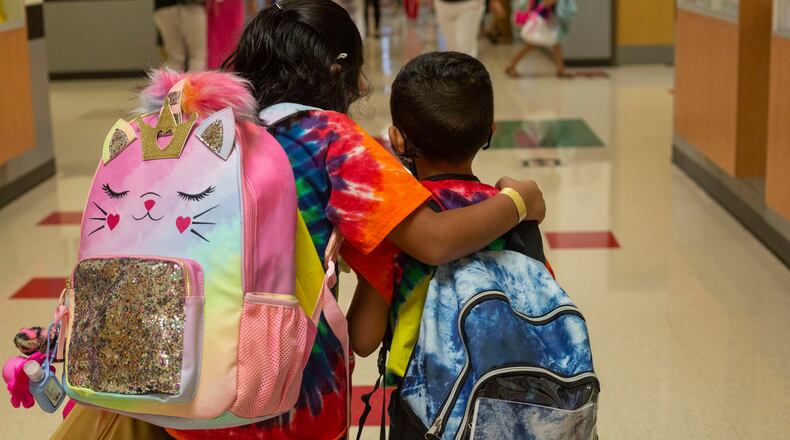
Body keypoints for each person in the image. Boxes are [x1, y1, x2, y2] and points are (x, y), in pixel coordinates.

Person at [166, 2, 546, 439]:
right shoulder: (329, 138)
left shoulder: (209, 127)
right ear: (334, 70)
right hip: (287, 391)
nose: (362, 86)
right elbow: (435, 240)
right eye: (357, 71)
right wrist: (519, 199)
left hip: (187, 376)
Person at [346, 52, 555, 438]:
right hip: (514, 410)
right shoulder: (509, 215)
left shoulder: (403, 226)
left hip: (426, 413)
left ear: (396, 139)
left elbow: (363, 337)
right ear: (489, 131)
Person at [505, 0, 575, 78]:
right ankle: (511, 65)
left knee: (556, 44)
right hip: (540, 22)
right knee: (532, 46)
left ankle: (560, 69)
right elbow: (547, 2)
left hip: (543, 21)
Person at [153, 0, 208, 71]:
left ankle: (168, 82)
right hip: (192, 7)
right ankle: (195, 82)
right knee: (197, 56)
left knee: (175, 59)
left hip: (163, 8)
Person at [206, 0, 258, 69]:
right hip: (215, 7)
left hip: (232, 7)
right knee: (213, 44)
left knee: (233, 41)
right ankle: (214, 73)